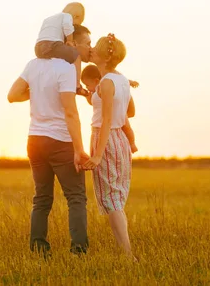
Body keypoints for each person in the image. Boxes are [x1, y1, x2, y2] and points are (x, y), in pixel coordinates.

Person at [8, 24, 94, 256]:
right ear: (68, 42)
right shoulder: (65, 68)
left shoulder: (33, 65)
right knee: (76, 197)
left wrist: (36, 91)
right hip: (60, 141)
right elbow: (70, 112)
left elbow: (13, 95)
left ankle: (39, 249)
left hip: (35, 140)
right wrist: (79, 149)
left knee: (42, 198)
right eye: (85, 43)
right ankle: (79, 251)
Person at [82, 33, 136, 259]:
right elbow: (129, 112)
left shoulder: (105, 83)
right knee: (116, 197)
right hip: (120, 141)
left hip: (106, 139)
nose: (91, 49)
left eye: (95, 48)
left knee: (110, 199)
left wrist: (97, 155)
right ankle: (127, 251)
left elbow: (105, 121)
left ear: (103, 58)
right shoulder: (121, 79)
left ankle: (127, 254)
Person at [80, 64, 138, 153]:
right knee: (125, 125)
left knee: (127, 127)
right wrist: (85, 95)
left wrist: (131, 82)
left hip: (117, 112)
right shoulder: (94, 93)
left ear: (96, 81)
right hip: (109, 118)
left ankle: (132, 143)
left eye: (87, 85)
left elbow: (122, 82)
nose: (86, 87)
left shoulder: (106, 85)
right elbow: (92, 102)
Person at [34, 2, 86, 94]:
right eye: (77, 24)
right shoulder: (67, 17)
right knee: (76, 56)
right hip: (52, 44)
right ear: (76, 16)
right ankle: (77, 84)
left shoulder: (48, 19)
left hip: (38, 47)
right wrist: (70, 40)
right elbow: (67, 27)